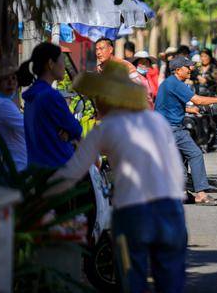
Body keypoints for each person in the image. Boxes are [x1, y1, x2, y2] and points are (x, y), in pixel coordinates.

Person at [50, 61, 187, 292]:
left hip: (133, 213)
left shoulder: (105, 128)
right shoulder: (157, 121)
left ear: (105, 98)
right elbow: (177, 171)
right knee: (170, 284)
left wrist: (35, 198)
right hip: (172, 209)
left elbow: (71, 174)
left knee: (133, 281)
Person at [155, 56, 217, 205]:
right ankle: (201, 194)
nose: (191, 69)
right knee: (195, 154)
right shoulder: (176, 84)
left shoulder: (168, 83)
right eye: (187, 67)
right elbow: (199, 100)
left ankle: (183, 192)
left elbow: (167, 105)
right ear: (178, 70)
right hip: (172, 129)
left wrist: (190, 109)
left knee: (181, 158)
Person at [18, 42, 82, 167]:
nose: (64, 66)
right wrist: (69, 133)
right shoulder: (51, 96)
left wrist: (67, 133)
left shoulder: (32, 95)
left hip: (38, 168)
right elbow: (75, 128)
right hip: (57, 167)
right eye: (62, 61)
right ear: (51, 64)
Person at [0, 55, 27, 171]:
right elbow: (29, 129)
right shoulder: (2, 105)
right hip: (17, 171)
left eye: (14, 78)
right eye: (5, 79)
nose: (11, 82)